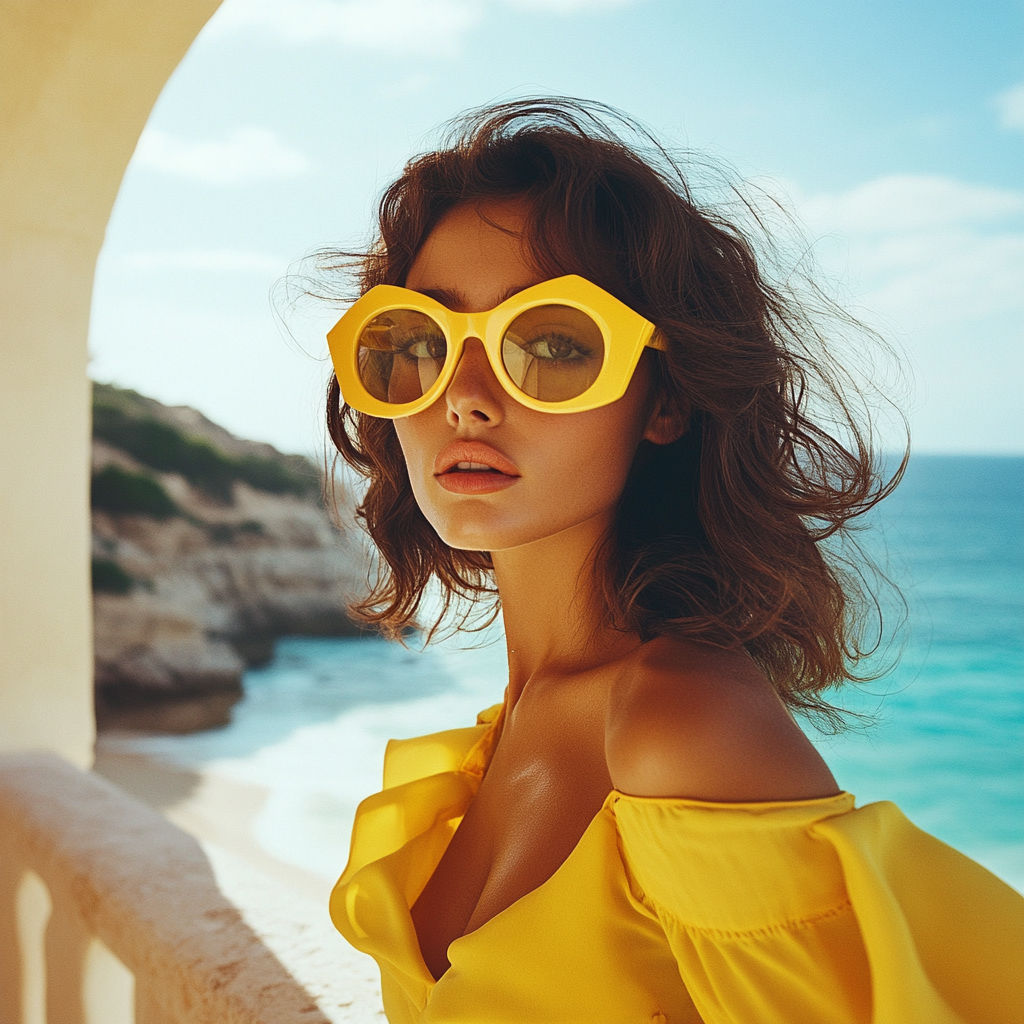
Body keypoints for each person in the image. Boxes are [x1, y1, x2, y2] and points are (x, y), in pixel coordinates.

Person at [321, 99, 1023, 1023]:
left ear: (667, 402)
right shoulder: (521, 723)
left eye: (555, 344)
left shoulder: (677, 722)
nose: (466, 397)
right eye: (419, 342)